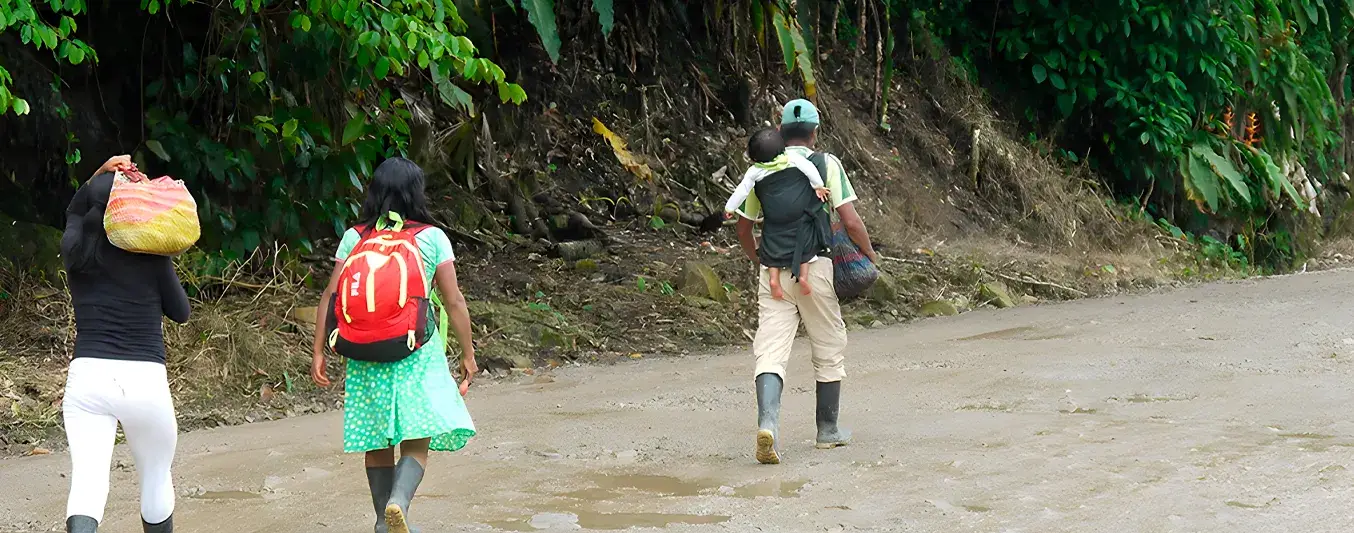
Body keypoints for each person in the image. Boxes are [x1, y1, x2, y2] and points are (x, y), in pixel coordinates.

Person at [311, 157, 478, 533]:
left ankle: (380, 523)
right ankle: (398, 504)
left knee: (376, 439)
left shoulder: (356, 237)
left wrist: (319, 350)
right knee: (416, 441)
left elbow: (330, 295)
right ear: (416, 193)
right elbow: (454, 301)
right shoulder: (432, 238)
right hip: (415, 352)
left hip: (364, 352)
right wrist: (468, 354)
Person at [732, 99, 878, 465]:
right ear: (815, 133)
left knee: (770, 348)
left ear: (780, 131)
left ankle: (769, 426)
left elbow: (744, 227)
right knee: (828, 343)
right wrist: (869, 255)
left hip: (773, 271)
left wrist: (758, 259)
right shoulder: (826, 164)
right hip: (815, 267)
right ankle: (827, 430)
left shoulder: (761, 170)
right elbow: (850, 219)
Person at [60, 155, 190, 533]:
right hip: (144, 381)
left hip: (87, 381)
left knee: (87, 484)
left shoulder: (75, 252)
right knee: (154, 477)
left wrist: (98, 176)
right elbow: (181, 312)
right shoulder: (149, 255)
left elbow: (75, 209)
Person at [724, 128, 831, 300]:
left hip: (775, 217)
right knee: (805, 243)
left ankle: (774, 280)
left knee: (770, 245)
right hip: (798, 215)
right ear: (783, 147)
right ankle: (803, 277)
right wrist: (818, 186)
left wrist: (729, 209)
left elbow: (741, 191)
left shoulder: (754, 171)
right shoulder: (792, 158)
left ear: (754, 158)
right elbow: (809, 168)